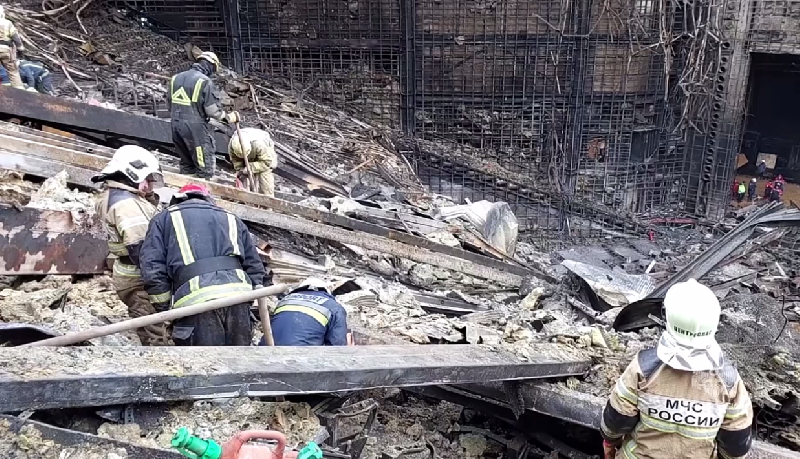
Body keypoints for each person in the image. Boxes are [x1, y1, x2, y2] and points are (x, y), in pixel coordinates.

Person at [600, 279, 753, 459]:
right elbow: (736, 445)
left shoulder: (644, 367)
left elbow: (616, 422)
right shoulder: (729, 380)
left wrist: (609, 442)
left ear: (667, 317)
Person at [139, 183, 265, 346]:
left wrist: (165, 308)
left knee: (205, 366)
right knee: (239, 363)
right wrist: (249, 298)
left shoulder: (163, 219)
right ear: (208, 199)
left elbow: (152, 268)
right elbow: (254, 265)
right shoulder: (231, 218)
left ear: (177, 201)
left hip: (194, 303)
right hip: (238, 298)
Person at [92, 145, 170, 346]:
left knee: (147, 324)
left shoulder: (121, 197)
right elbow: (142, 248)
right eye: (148, 180)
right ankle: (160, 368)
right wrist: (160, 280)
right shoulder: (125, 204)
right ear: (132, 173)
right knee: (157, 329)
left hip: (131, 274)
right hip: (139, 278)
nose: (150, 186)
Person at [168, 51, 239, 179]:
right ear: (211, 65)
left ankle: (186, 189)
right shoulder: (204, 81)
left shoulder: (175, 78)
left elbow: (169, 103)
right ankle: (202, 190)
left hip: (176, 124)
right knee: (204, 164)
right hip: (195, 128)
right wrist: (228, 117)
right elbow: (212, 111)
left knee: (186, 162)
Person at [263, 277, 348, 346]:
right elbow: (337, 346)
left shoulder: (285, 300)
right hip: (300, 357)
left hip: (265, 352)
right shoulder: (334, 307)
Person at [229, 127, 278, 197]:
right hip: (253, 152)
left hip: (265, 157)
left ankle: (268, 202)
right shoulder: (232, 145)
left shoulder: (259, 144)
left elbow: (267, 163)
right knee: (244, 176)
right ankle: (247, 197)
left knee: (264, 176)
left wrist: (250, 167)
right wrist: (241, 170)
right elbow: (236, 160)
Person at [0, 6, 25, 89]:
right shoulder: (7, 23)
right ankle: (20, 92)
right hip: (5, 50)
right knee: (13, 71)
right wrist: (21, 49)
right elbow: (15, 38)